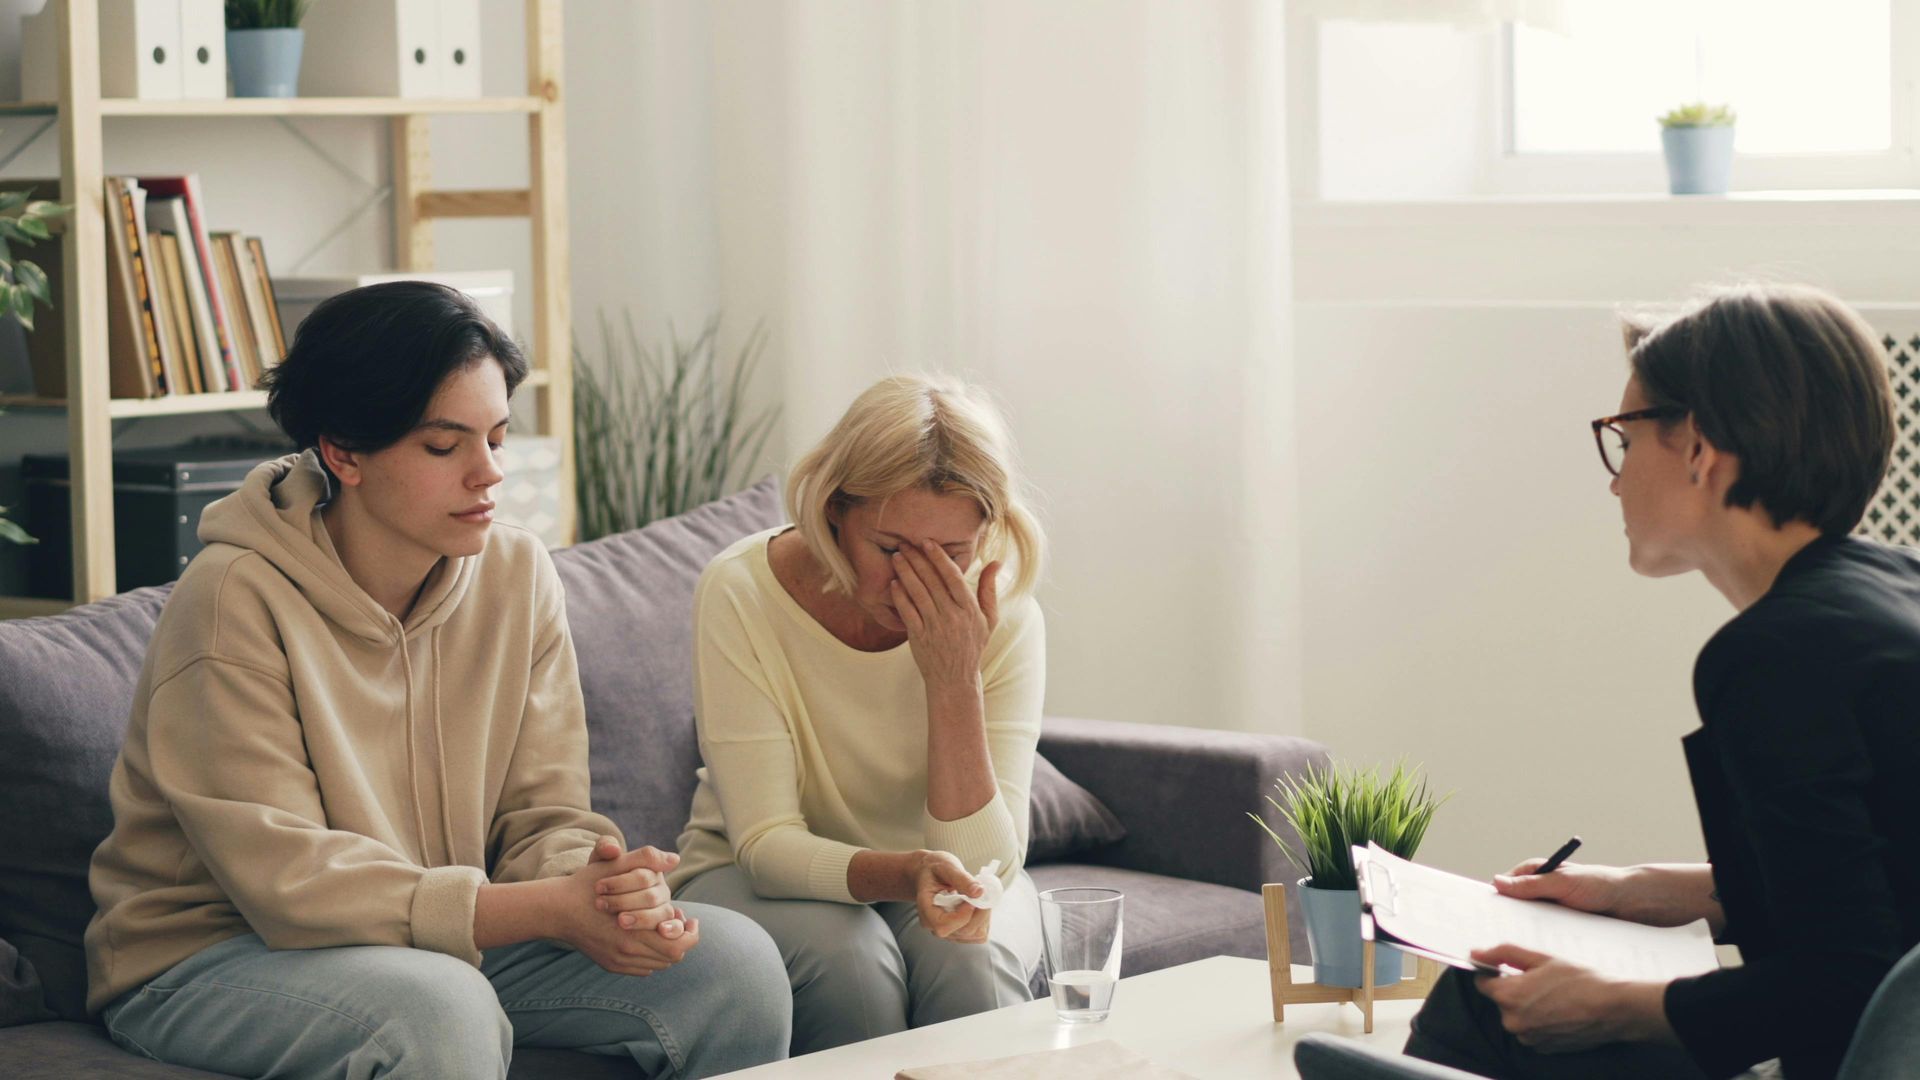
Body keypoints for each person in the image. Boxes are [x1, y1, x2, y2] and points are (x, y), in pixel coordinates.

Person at [84, 281, 791, 1079]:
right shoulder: (231, 599)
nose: (488, 474)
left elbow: (545, 812)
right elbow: (288, 883)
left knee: (732, 967)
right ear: (344, 451)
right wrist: (536, 911)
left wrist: (595, 894)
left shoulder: (517, 573)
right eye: (443, 445)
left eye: (497, 437)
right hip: (215, 955)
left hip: (434, 940)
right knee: (438, 1007)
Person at [1397, 285, 1920, 1080]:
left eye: (1623, 438)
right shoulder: (1893, 591)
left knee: (1484, 1005)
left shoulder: (1773, 654)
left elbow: (1848, 984)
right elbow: (1875, 889)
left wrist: (1608, 1006)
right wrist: (1634, 889)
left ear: (1699, 449)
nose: (1615, 481)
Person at [670, 373, 1049, 1054]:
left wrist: (953, 678)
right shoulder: (740, 592)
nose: (915, 583)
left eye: (952, 555)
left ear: (987, 534)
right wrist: (904, 873)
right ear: (834, 511)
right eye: (891, 549)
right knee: (849, 959)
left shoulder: (1007, 616)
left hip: (940, 877)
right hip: (751, 876)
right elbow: (763, 846)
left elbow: (987, 867)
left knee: (970, 957)